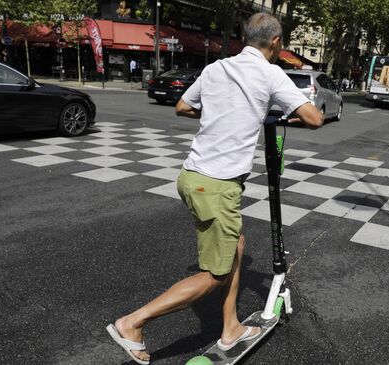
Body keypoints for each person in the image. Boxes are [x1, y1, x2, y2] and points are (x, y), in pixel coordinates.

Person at [106, 12, 323, 365]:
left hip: (192, 176)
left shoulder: (216, 68)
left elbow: (182, 106)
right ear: (276, 43)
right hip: (217, 186)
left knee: (236, 245)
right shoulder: (270, 73)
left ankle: (231, 328)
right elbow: (313, 118)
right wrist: (273, 115)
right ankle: (132, 323)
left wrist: (222, 115)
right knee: (214, 276)